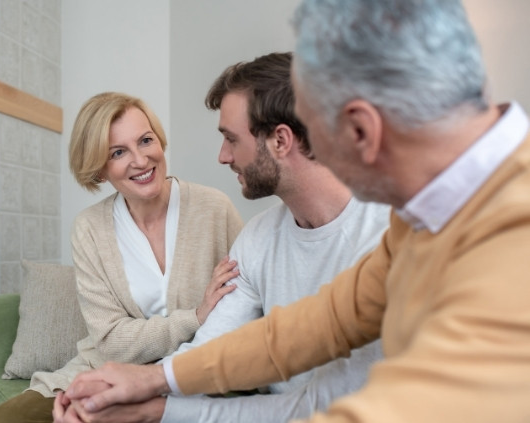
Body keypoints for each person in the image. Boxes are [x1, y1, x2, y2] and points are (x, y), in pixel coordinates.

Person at [60, 0, 530, 422]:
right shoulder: (423, 219)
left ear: (360, 129)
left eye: (316, 127)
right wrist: (153, 383)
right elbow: (314, 326)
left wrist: (156, 410)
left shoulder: (512, 243)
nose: (313, 149)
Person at [53, 52, 390, 423]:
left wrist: (151, 405)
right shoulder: (259, 238)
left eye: (231, 139)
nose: (222, 156)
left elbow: (321, 406)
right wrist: (120, 394)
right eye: (118, 151)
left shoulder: (388, 236)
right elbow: (208, 350)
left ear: (280, 140)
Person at [0, 92, 243, 423]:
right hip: (107, 372)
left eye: (146, 140)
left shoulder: (214, 209)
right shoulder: (90, 228)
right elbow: (111, 342)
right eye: (118, 152)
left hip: (197, 370)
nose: (140, 159)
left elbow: (250, 301)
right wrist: (195, 316)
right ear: (100, 169)